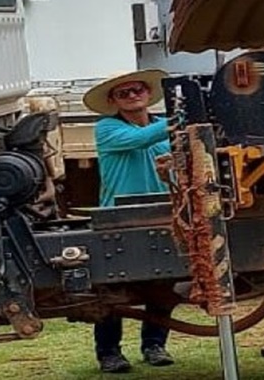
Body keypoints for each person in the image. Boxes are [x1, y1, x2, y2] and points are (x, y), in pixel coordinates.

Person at [82, 69, 178, 373]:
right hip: (118, 218)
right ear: (113, 101)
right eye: (124, 93)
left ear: (148, 93)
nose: (133, 96)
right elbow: (141, 138)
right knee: (113, 290)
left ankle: (154, 345)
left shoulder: (164, 130)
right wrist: (183, 122)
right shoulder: (107, 128)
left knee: (165, 283)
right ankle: (108, 353)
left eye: (137, 90)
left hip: (163, 212)